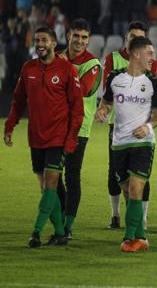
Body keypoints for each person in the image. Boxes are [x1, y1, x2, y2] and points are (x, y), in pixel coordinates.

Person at [4, 26, 84, 247]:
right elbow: (18, 100)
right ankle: (60, 233)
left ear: (53, 43)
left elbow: (77, 109)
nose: (39, 44)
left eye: (44, 40)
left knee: (50, 185)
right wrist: (10, 125)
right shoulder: (28, 68)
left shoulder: (67, 69)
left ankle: (36, 232)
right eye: (37, 40)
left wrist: (71, 140)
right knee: (45, 188)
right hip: (35, 138)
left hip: (58, 137)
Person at [96, 36, 157, 253]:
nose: (152, 58)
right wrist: (102, 110)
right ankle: (140, 237)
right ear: (136, 53)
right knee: (127, 190)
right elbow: (106, 102)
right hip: (119, 143)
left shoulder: (154, 82)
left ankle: (130, 239)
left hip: (143, 143)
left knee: (136, 188)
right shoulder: (115, 78)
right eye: (149, 53)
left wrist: (149, 127)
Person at [57, 19, 102, 239]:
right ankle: (62, 218)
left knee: (72, 176)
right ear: (68, 36)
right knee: (51, 176)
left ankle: (67, 226)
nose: (79, 41)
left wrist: (62, 68)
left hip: (78, 127)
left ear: (89, 39)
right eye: (76, 36)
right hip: (54, 125)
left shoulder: (93, 64)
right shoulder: (57, 57)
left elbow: (82, 90)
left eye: (84, 37)